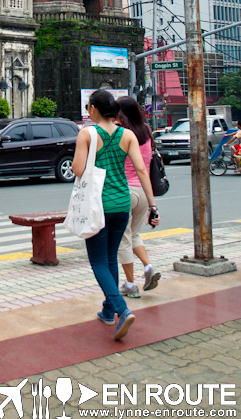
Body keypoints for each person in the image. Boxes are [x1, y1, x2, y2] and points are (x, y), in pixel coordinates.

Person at [71, 90, 159, 340]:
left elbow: (77, 169)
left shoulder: (87, 133)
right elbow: (141, 171)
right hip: (122, 204)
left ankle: (121, 309)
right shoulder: (128, 134)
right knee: (111, 258)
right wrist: (152, 206)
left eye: (89, 106)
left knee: (98, 261)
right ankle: (108, 311)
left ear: (94, 109)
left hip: (98, 205)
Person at [116, 96, 161, 297]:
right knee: (134, 234)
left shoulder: (123, 133)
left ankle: (130, 284)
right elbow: (144, 170)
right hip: (143, 191)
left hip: (124, 190)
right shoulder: (146, 131)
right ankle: (148, 267)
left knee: (123, 239)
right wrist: (153, 205)